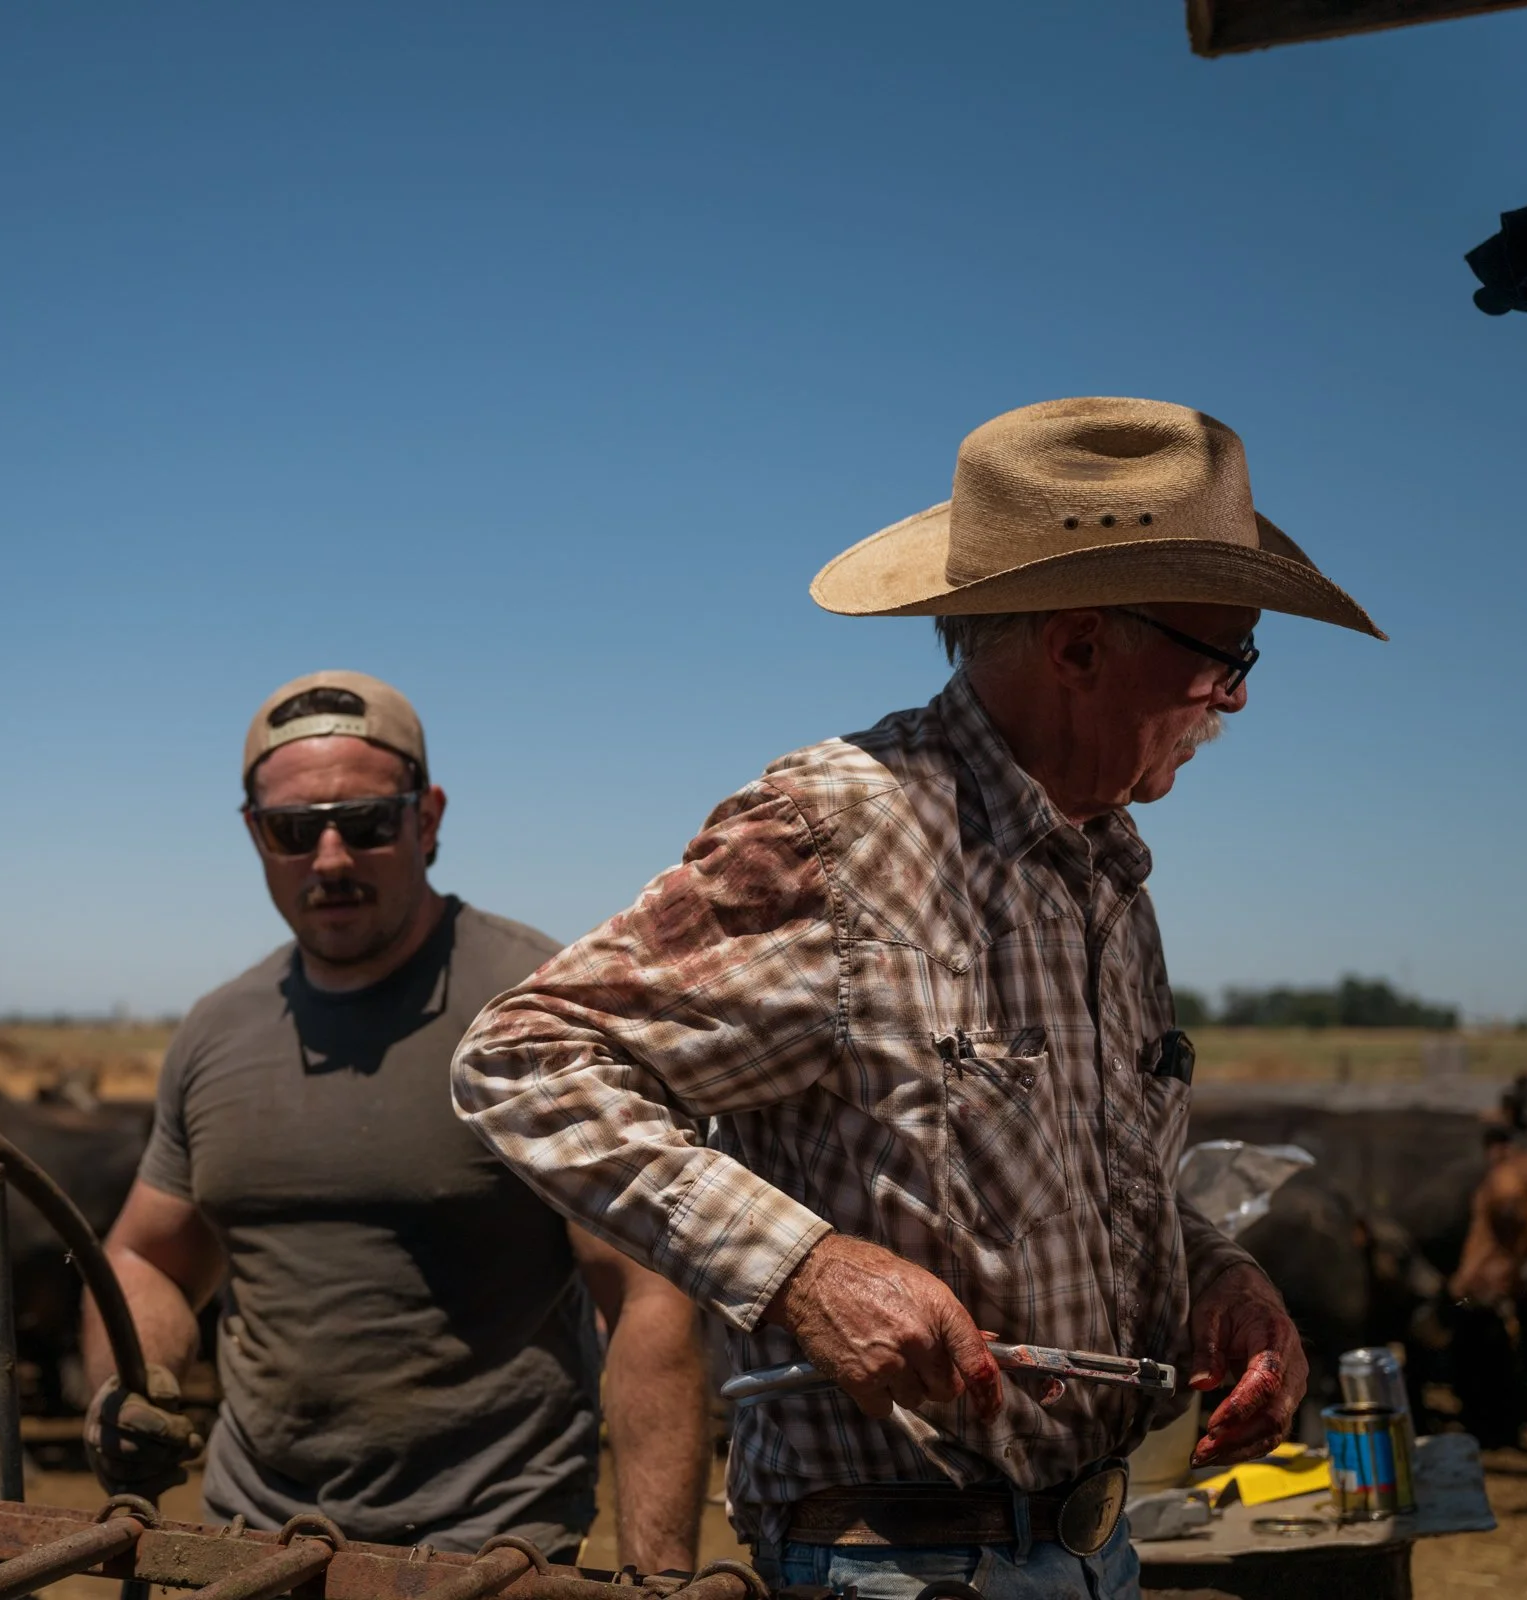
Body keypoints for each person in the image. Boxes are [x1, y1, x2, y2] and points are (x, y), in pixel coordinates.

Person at [453, 398, 1377, 1599]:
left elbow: (1084, 1178)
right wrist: (808, 1269)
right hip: (896, 1562)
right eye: (1224, 655)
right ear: (1084, 645)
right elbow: (525, 1055)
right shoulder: (842, 836)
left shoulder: (1103, 868)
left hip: (1092, 1545)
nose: (1237, 698)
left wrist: (1214, 1280)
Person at [83, 670, 708, 1570]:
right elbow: (147, 1257)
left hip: (485, 1559)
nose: (330, 860)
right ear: (255, 835)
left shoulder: (533, 1016)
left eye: (367, 822)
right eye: (295, 831)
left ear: (428, 818)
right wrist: (129, 1386)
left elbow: (646, 1294)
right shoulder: (217, 1033)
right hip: (250, 1545)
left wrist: (660, 1584)